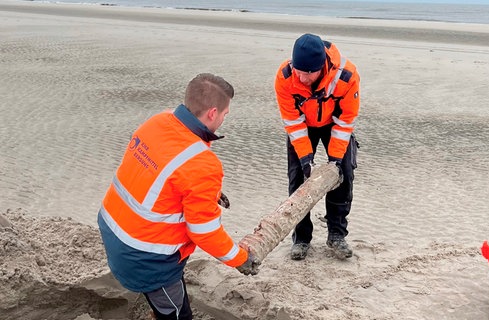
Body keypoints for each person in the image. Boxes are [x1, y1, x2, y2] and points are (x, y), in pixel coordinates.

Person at [97, 73, 260, 320]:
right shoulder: (203, 165)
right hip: (146, 257)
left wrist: (208, 192)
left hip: (113, 228)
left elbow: (164, 175)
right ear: (213, 113)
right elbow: (204, 232)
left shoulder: (159, 121)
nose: (225, 120)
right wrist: (240, 259)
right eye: (226, 115)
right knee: (176, 314)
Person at [274, 33, 360, 261]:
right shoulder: (285, 77)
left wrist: (335, 162)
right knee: (297, 179)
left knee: (343, 176)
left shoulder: (346, 76)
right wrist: (306, 160)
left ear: (320, 66)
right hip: (303, 125)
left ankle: (336, 235)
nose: (301, 78)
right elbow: (293, 122)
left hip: (335, 124)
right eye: (298, 71)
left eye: (307, 73)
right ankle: (301, 238)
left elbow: (345, 121)